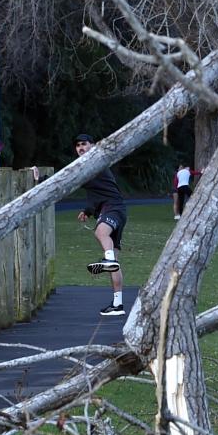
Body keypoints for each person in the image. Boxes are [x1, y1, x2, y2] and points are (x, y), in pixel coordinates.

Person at [73, 133, 128, 316]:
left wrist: (41, 179)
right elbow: (97, 191)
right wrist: (88, 211)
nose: (80, 148)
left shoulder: (95, 162)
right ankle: (118, 305)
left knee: (100, 232)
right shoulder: (89, 166)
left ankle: (108, 259)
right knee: (115, 265)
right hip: (114, 209)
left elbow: (64, 182)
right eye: (78, 145)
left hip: (113, 208)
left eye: (84, 144)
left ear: (92, 145)